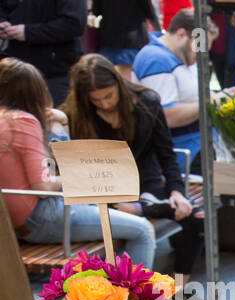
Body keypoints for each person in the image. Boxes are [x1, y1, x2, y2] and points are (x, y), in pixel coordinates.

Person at [0, 58, 156, 265]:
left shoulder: (6, 121)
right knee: (142, 230)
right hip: (39, 218)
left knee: (109, 211)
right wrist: (78, 178)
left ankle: (114, 290)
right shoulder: (24, 122)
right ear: (33, 92)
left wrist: (60, 122)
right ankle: (134, 297)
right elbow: (43, 184)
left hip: (13, 220)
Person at [65, 53, 202, 282]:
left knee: (197, 217)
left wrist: (176, 191)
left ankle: (179, 289)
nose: (105, 104)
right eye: (96, 101)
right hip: (102, 191)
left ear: (118, 84)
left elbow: (165, 153)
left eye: (109, 96)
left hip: (145, 182)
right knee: (132, 222)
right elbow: (78, 170)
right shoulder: (77, 115)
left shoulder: (146, 102)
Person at [130, 6, 201, 173]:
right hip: (182, 153)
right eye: (198, 46)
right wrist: (210, 103)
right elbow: (167, 115)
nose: (200, 53)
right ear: (182, 34)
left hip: (193, 149)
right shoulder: (156, 60)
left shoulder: (179, 56)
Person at [0, 0, 88, 104]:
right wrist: (3, 23)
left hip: (55, 72)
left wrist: (27, 32)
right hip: (16, 71)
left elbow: (75, 23)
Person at [92, 0, 157, 78]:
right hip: (133, 39)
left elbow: (96, 11)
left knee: (109, 78)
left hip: (109, 38)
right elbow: (149, 10)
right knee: (130, 81)